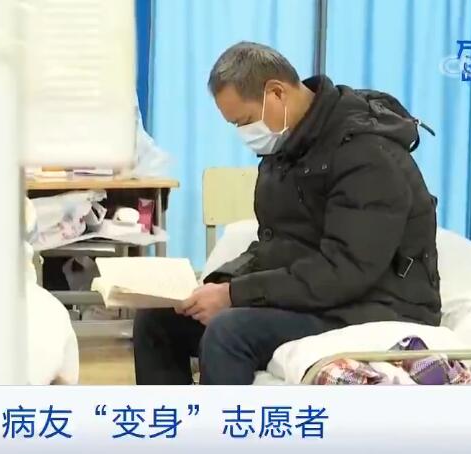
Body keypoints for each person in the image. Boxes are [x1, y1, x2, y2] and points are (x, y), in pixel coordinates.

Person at [133, 41, 441, 385]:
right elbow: (277, 245)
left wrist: (235, 295)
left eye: (245, 121)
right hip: (324, 295)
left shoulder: (366, 154)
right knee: (158, 320)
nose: (244, 134)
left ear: (277, 93)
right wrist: (216, 285)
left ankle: (227, 421)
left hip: (379, 304)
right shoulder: (287, 149)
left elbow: (347, 269)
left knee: (227, 331)